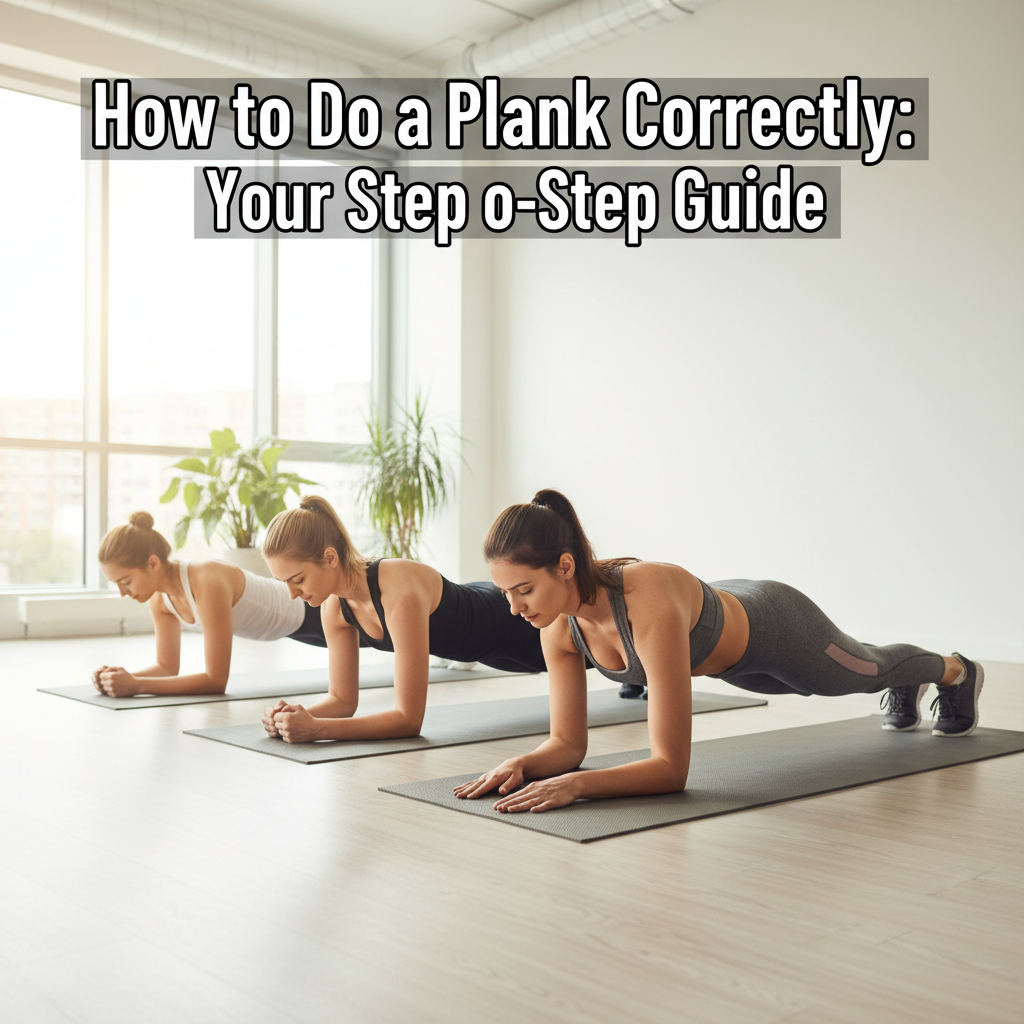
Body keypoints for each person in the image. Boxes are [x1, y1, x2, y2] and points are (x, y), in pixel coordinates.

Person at [454, 489, 984, 814]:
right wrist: (525, 764)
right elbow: (566, 744)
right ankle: (910, 680)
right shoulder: (558, 631)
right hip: (733, 665)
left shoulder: (645, 599)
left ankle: (955, 672)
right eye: (504, 593)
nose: (513, 608)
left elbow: (670, 768)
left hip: (775, 624)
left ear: (565, 566)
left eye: (523, 590)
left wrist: (577, 787)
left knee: (865, 671)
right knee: (799, 684)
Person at [258, 495, 545, 743]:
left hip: (516, 622)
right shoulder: (333, 609)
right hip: (490, 652)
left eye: (297, 579)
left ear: (330, 557)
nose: (292, 594)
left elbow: (408, 720)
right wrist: (294, 718)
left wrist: (317, 729)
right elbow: (342, 700)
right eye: (284, 582)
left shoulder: (397, 589)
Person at [93, 511, 327, 696]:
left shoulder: (207, 580)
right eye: (116, 584)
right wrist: (119, 679)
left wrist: (136, 686)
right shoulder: (160, 600)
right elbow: (166, 667)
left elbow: (215, 681)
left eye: (125, 581)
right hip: (294, 630)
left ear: (153, 563)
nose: (123, 593)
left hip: (315, 610)